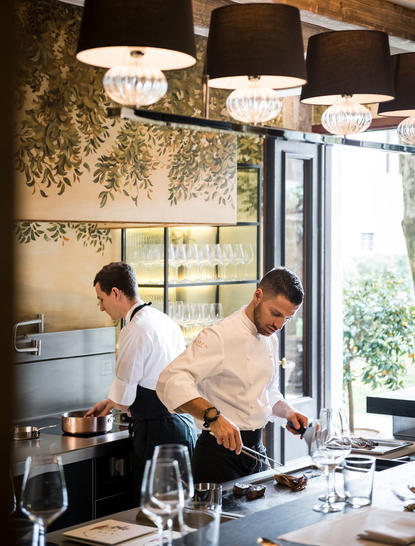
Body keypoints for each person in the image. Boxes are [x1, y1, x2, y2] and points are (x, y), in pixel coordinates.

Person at [157, 266, 308, 483]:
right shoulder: (219, 335)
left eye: (287, 318)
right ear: (258, 295)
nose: (279, 325)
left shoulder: (270, 337)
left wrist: (288, 412)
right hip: (217, 457)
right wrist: (213, 416)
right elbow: (171, 379)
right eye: (275, 313)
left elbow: (266, 392)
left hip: (256, 452)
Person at [86, 262, 196, 501]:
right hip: (184, 427)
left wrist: (116, 401)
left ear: (116, 292)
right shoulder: (163, 319)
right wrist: (110, 402)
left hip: (158, 434)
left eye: (101, 299)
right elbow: (154, 379)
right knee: (179, 508)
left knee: (152, 513)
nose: (102, 307)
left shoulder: (133, 329)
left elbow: (125, 400)